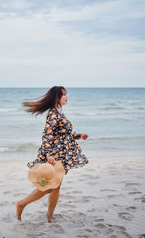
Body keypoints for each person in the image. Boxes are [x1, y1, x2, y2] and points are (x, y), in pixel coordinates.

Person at [16, 86, 89, 223]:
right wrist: (49, 154)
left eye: (66, 94)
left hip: (61, 154)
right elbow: (47, 135)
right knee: (51, 185)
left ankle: (50, 216)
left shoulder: (59, 113)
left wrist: (79, 136)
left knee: (56, 185)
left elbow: (64, 135)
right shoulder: (54, 114)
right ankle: (22, 204)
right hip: (55, 155)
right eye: (63, 95)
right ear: (56, 98)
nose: (66, 97)